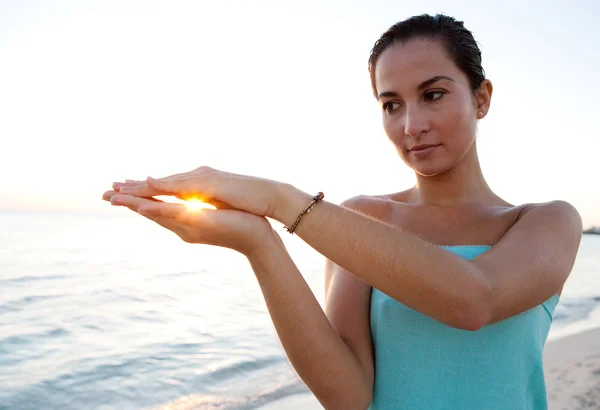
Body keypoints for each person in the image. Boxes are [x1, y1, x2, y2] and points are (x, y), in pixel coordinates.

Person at [102, 14, 582, 410]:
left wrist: (280, 198)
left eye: (432, 95)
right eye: (391, 104)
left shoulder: (545, 223)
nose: (412, 125)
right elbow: (348, 398)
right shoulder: (364, 220)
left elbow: (474, 301)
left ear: (482, 98)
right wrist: (260, 243)